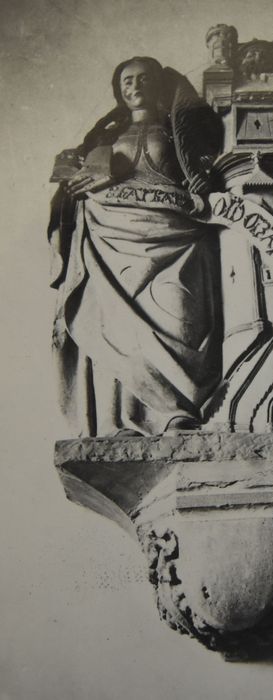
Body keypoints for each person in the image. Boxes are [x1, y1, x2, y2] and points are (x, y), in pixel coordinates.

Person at [49, 57, 223, 436]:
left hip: (178, 237)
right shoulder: (103, 139)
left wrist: (202, 182)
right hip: (111, 238)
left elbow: (206, 173)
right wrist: (77, 179)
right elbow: (72, 182)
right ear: (119, 90)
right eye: (127, 81)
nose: (135, 86)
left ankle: (180, 411)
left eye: (144, 78)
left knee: (180, 313)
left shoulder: (180, 132)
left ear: (159, 84)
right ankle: (127, 420)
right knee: (116, 324)